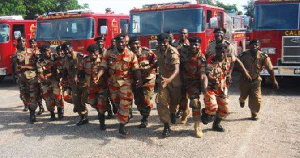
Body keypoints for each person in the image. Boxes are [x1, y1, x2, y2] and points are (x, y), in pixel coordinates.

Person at [96, 33, 142, 135]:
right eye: (119, 42)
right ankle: (124, 115)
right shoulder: (108, 53)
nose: (121, 44)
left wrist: (139, 80)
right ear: (115, 43)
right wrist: (98, 75)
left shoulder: (131, 55)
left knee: (124, 103)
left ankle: (122, 126)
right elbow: (103, 66)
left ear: (125, 42)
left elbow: (136, 69)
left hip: (125, 83)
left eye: (122, 42)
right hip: (112, 83)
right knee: (116, 104)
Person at [201, 43, 252, 132]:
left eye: (222, 52)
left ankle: (216, 124)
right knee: (213, 107)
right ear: (216, 52)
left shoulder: (229, 57)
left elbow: (237, 61)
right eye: (218, 52)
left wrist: (245, 72)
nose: (220, 54)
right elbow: (207, 74)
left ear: (225, 52)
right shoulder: (211, 59)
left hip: (222, 88)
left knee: (224, 110)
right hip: (211, 88)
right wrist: (212, 80)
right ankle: (206, 113)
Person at [238, 39, 279, 120]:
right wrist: (244, 72)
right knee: (244, 95)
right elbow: (236, 65)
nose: (254, 46)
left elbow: (270, 69)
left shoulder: (263, 56)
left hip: (256, 80)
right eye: (252, 44)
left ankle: (254, 113)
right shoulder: (243, 55)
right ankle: (242, 100)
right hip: (244, 80)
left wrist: (274, 80)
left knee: (256, 99)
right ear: (249, 46)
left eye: (256, 45)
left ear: (259, 46)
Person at [155, 33, 181, 138]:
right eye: (160, 43)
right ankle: (166, 126)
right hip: (162, 82)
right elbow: (159, 62)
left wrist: (169, 80)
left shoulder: (173, 52)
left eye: (164, 43)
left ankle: (173, 112)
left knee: (175, 103)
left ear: (168, 42)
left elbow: (177, 69)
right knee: (161, 101)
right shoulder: (158, 51)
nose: (162, 45)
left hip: (174, 82)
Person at [180, 37, 207, 138]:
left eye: (196, 44)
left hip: (193, 82)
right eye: (192, 44)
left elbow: (203, 74)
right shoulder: (183, 51)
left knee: (195, 102)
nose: (194, 46)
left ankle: (197, 125)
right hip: (182, 80)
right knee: (182, 102)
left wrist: (204, 90)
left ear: (200, 45)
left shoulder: (201, 58)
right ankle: (185, 112)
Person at [129, 36, 157, 128]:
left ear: (140, 44)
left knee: (146, 99)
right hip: (135, 80)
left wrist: (150, 69)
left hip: (147, 79)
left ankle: (145, 118)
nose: (135, 46)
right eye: (133, 44)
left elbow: (155, 62)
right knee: (138, 101)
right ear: (130, 45)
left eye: (137, 44)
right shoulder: (127, 55)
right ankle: (143, 112)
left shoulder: (147, 52)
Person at [80, 44, 109, 130]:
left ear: (98, 52)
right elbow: (80, 70)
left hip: (102, 86)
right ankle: (103, 109)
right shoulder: (85, 61)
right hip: (91, 87)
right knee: (92, 103)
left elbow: (107, 71)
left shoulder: (103, 60)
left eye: (94, 52)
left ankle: (102, 121)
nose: (93, 54)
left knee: (101, 105)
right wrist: (79, 76)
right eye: (91, 52)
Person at [61, 42, 88, 126]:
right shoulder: (65, 59)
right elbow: (65, 70)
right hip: (73, 84)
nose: (66, 51)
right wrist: (64, 78)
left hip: (84, 83)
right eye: (64, 50)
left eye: (68, 49)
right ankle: (83, 117)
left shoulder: (80, 57)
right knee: (76, 100)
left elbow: (86, 67)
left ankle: (104, 111)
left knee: (87, 99)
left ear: (71, 48)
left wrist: (79, 75)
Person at [37, 44, 64, 120]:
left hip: (55, 79)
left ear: (50, 50)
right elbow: (40, 73)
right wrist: (45, 80)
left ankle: (60, 110)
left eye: (47, 50)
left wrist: (53, 74)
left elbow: (59, 69)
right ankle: (52, 113)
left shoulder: (55, 57)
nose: (46, 53)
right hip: (45, 82)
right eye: (44, 51)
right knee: (47, 98)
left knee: (57, 96)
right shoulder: (40, 61)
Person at [15, 37, 39, 123]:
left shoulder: (32, 52)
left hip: (32, 77)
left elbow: (37, 65)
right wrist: (17, 75)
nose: (22, 43)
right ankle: (29, 108)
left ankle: (32, 114)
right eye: (20, 41)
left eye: (24, 41)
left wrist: (25, 67)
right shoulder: (16, 53)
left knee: (33, 96)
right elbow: (15, 67)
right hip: (22, 79)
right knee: (24, 96)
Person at [94, 36, 114, 119]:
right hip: (101, 79)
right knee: (103, 96)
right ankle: (108, 110)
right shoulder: (95, 53)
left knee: (113, 96)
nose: (100, 43)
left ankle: (116, 108)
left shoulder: (109, 53)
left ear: (104, 42)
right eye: (98, 42)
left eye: (101, 41)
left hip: (110, 78)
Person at [177, 28, 190, 124]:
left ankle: (185, 114)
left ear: (187, 34)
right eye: (181, 33)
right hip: (176, 73)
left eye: (184, 33)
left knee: (185, 95)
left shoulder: (191, 46)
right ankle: (179, 109)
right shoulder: (174, 45)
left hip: (186, 73)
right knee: (177, 94)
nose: (183, 35)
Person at [29, 38, 45, 115]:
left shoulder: (41, 51)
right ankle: (40, 107)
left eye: (34, 43)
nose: (33, 45)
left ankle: (46, 106)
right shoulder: (27, 53)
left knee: (42, 92)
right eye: (31, 43)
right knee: (35, 92)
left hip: (41, 75)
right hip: (33, 76)